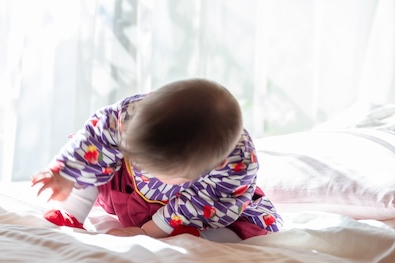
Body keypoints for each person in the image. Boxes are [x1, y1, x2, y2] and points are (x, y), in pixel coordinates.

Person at [31, 78, 282, 240]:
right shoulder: (132, 115)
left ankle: (184, 233)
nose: (143, 166)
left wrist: (147, 232)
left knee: (240, 231)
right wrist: (64, 173)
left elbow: (201, 203)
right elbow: (96, 138)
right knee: (92, 160)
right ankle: (70, 213)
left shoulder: (234, 166)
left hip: (194, 204)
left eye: (155, 167)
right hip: (128, 185)